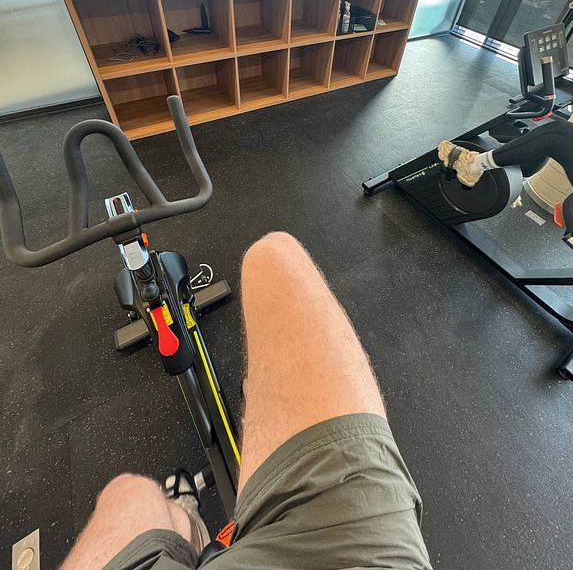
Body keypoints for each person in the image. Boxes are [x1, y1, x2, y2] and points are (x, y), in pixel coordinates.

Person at [60, 232, 432, 570]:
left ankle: (188, 525)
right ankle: (189, 527)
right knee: (273, 257)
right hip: (352, 550)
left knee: (128, 492)